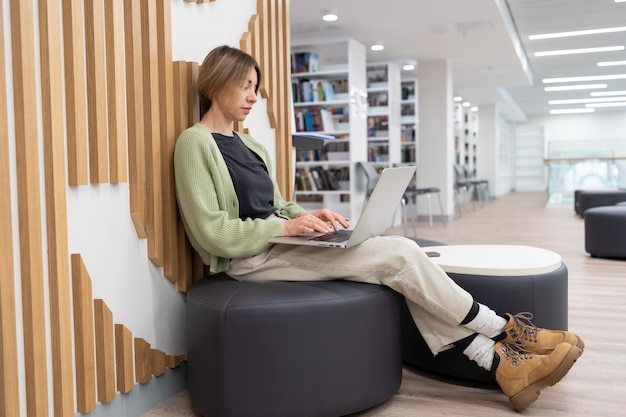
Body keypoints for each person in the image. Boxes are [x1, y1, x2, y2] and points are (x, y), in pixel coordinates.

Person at [174, 45, 584, 412]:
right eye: (245, 86)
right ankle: (507, 332)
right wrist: (284, 227)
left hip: (282, 243)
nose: (252, 97)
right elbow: (210, 232)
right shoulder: (194, 144)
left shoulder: (252, 145)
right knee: (401, 255)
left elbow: (279, 205)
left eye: (255, 87)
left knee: (397, 255)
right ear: (216, 82)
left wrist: (312, 218)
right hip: (251, 259)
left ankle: (500, 365)